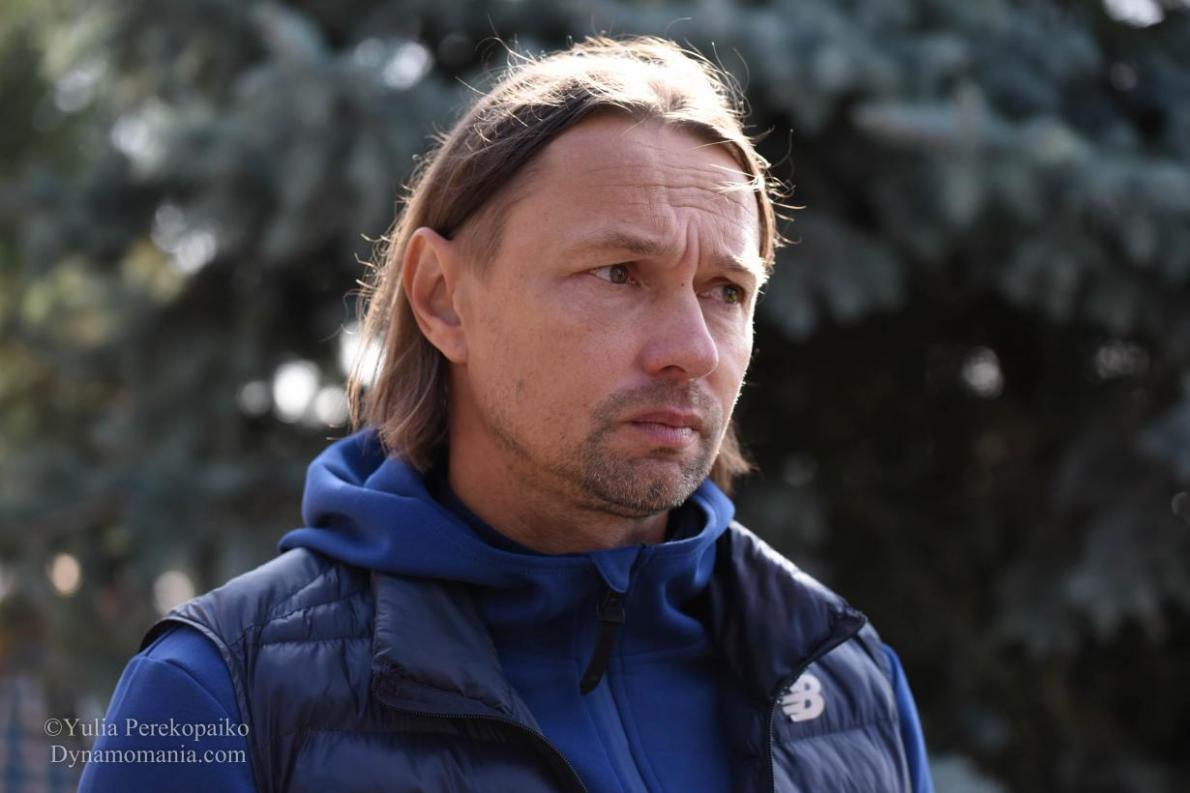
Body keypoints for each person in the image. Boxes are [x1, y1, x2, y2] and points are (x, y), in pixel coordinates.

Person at [79, 35, 933, 792]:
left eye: (726, 291)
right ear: (443, 298)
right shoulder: (218, 694)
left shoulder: (841, 683)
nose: (692, 350)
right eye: (619, 274)